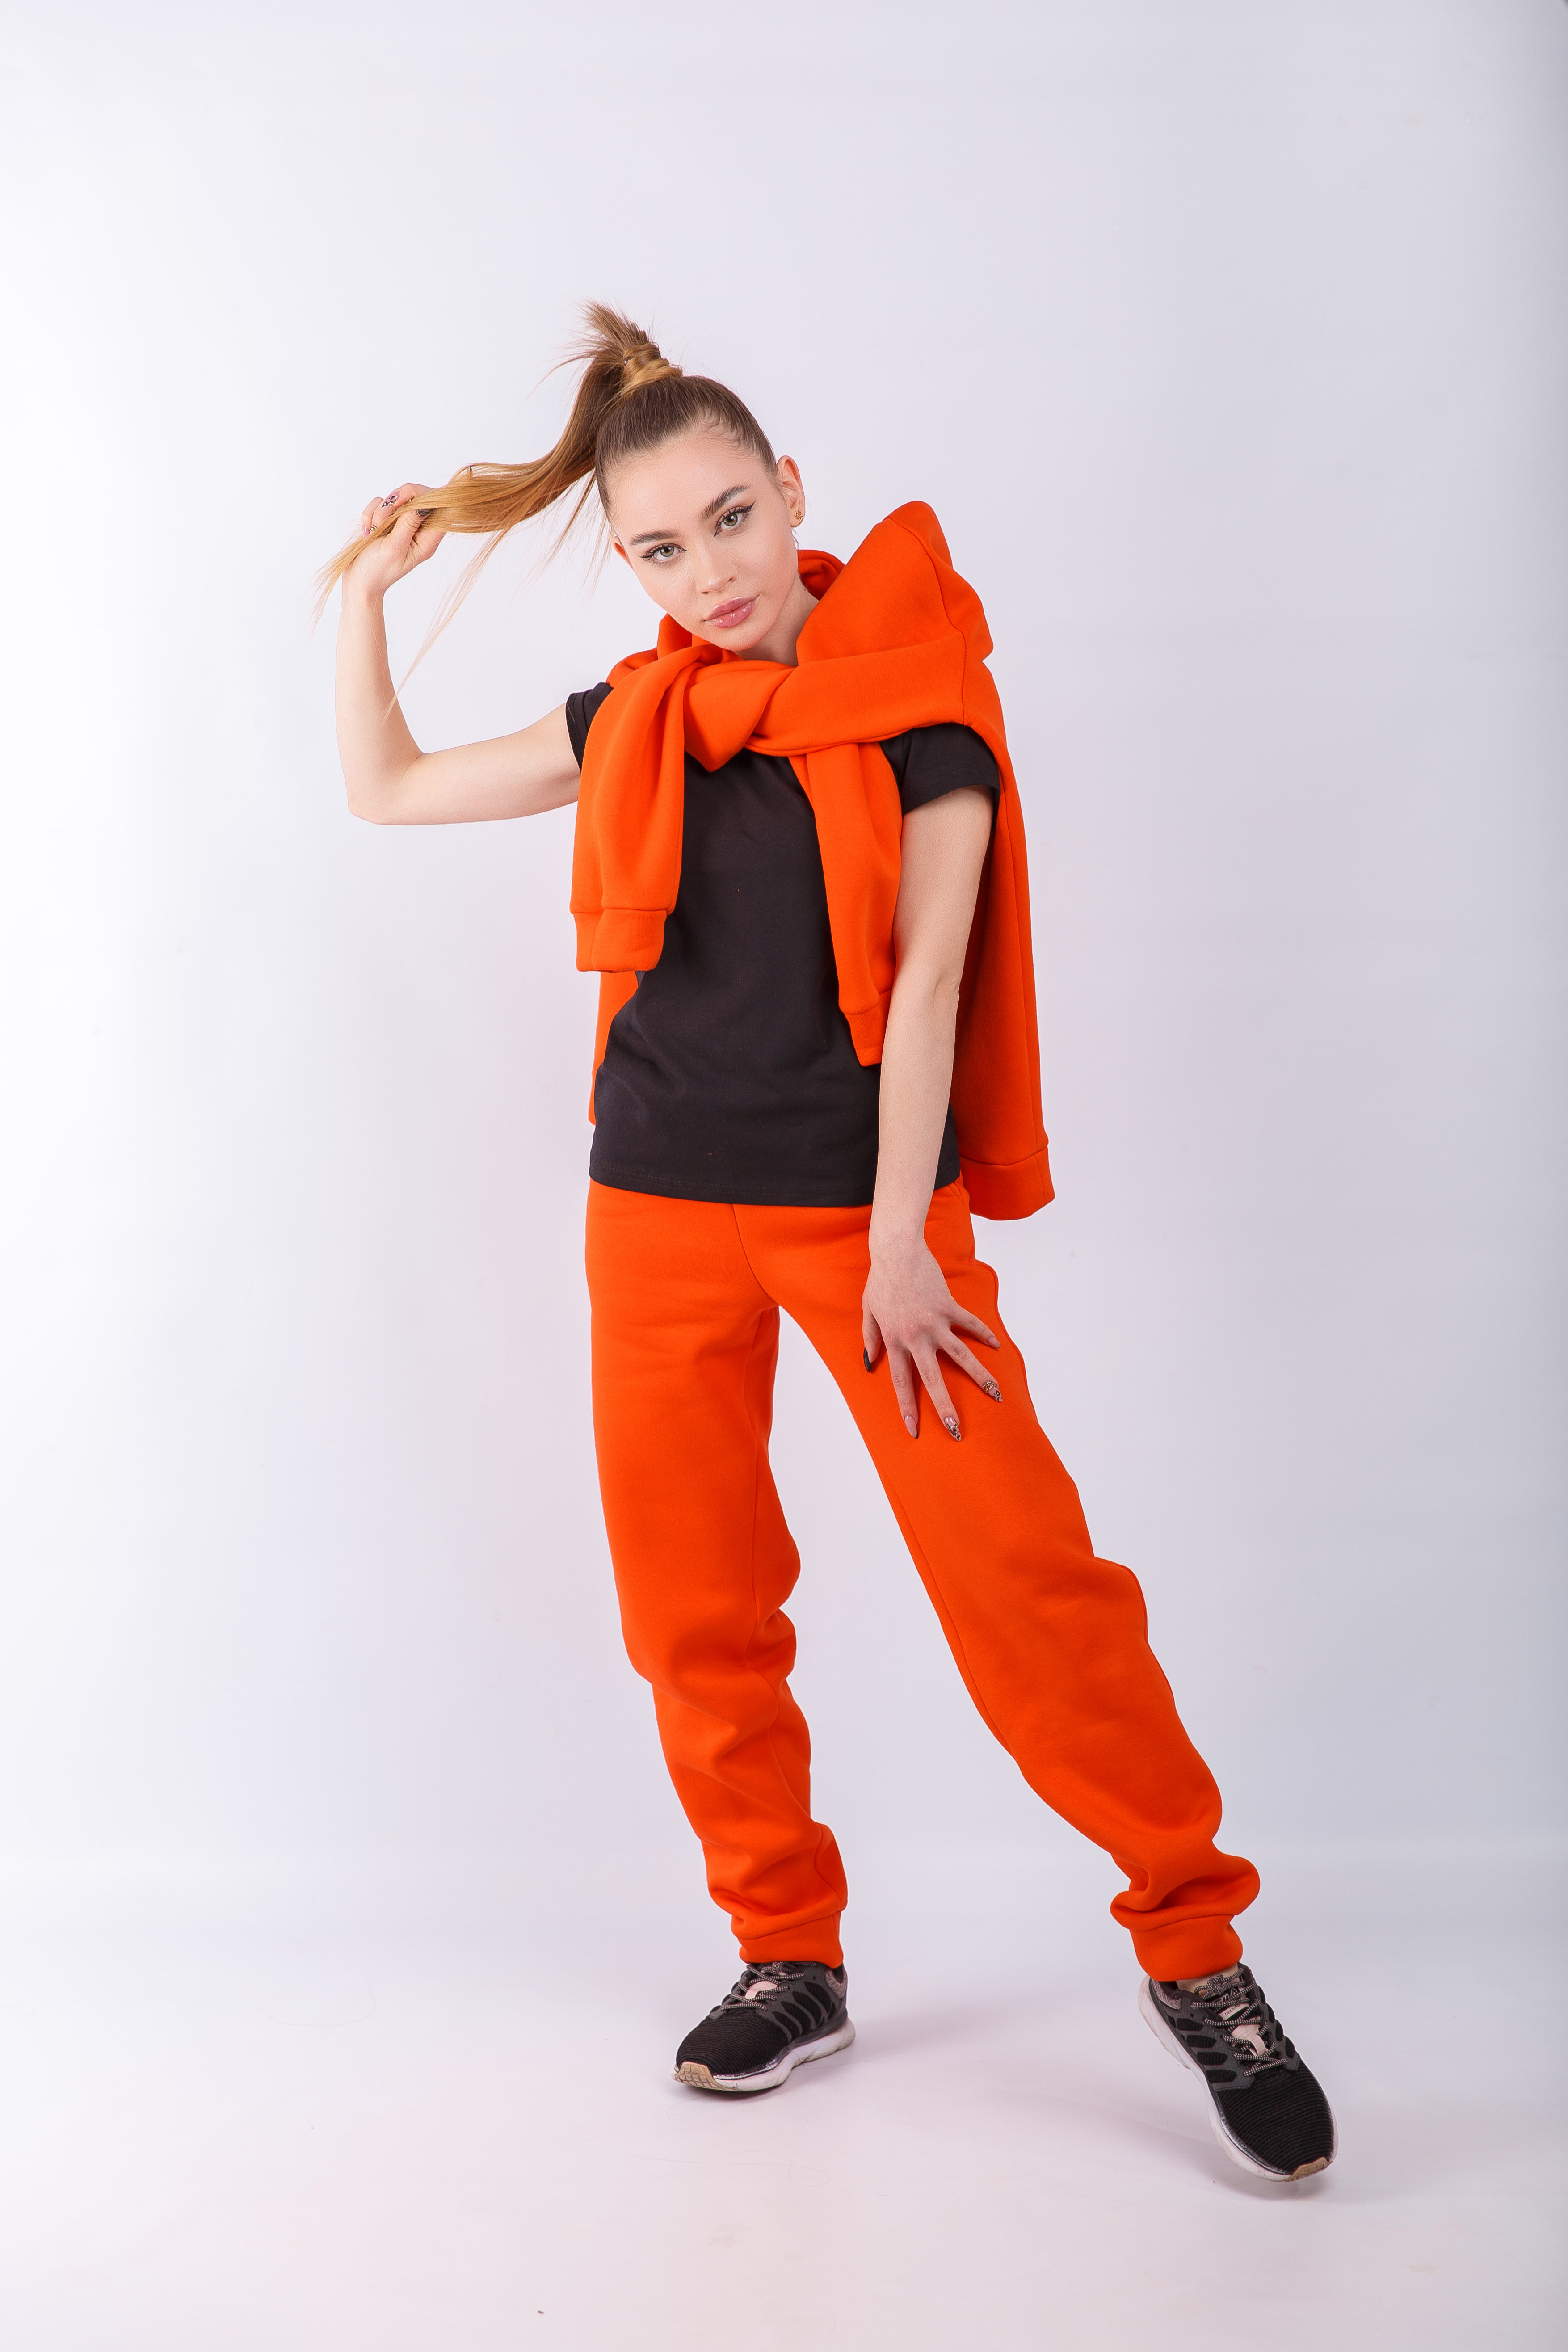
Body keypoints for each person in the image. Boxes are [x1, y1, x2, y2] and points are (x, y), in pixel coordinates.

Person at [324, 306, 1335, 2183]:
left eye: (730, 519)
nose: (707, 574)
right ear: (627, 564)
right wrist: (366, 602)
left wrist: (897, 1243)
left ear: (792, 492)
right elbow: (384, 787)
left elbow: (931, 979)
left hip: (871, 1233)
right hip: (651, 1211)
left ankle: (1195, 1947)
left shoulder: (922, 703)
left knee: (1027, 1587)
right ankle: (786, 1949)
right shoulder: (634, 718)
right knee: (693, 1613)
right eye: (658, 548)